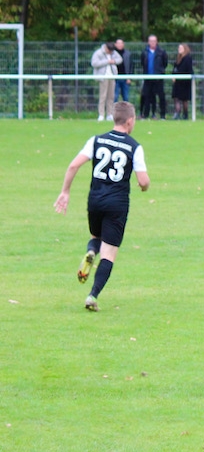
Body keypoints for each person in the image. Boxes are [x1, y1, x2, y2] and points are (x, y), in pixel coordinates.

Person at [53, 101, 151, 311]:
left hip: (95, 200)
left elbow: (73, 165)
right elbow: (143, 181)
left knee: (96, 237)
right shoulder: (134, 147)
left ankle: (90, 251)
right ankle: (92, 296)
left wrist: (65, 192)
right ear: (130, 121)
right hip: (117, 204)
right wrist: (145, 187)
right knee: (109, 253)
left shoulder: (96, 140)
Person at [91, 42, 122, 122]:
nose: (110, 52)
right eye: (109, 50)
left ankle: (109, 114)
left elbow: (120, 59)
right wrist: (107, 61)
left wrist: (114, 61)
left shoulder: (114, 52)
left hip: (112, 77)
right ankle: (101, 114)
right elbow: (94, 63)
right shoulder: (98, 53)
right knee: (103, 96)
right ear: (106, 48)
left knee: (111, 96)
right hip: (103, 77)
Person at [139, 35, 168, 120]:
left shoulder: (161, 52)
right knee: (146, 96)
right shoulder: (144, 52)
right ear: (148, 42)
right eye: (151, 41)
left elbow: (165, 63)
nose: (152, 43)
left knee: (161, 96)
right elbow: (143, 63)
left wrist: (160, 72)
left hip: (158, 78)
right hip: (147, 78)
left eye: (154, 41)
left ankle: (162, 115)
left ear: (157, 42)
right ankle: (146, 114)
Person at [171, 43, 193, 120]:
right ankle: (177, 113)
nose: (179, 49)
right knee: (176, 98)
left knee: (184, 99)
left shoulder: (187, 58)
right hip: (177, 82)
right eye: (179, 48)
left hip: (184, 82)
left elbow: (187, 70)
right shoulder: (178, 59)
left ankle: (185, 115)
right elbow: (175, 68)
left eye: (181, 48)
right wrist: (173, 76)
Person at [113, 39, 132, 103]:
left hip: (125, 78)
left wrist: (129, 77)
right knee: (115, 97)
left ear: (123, 44)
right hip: (115, 78)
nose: (120, 45)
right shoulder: (112, 54)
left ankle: (126, 109)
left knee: (126, 97)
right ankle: (113, 109)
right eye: (118, 43)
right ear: (115, 44)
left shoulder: (128, 54)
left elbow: (131, 66)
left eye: (121, 43)